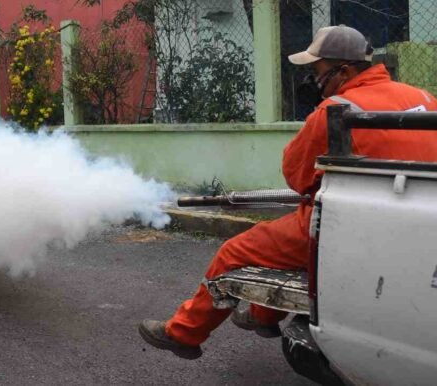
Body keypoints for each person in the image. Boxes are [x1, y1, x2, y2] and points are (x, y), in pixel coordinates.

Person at [138, 25, 437, 359]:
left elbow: (298, 177)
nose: (314, 78)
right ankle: (264, 314)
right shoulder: (424, 98)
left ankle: (183, 333)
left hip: (348, 226)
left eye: (318, 70)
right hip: (421, 222)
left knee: (234, 252)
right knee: (280, 242)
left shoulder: (334, 110)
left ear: (345, 70)